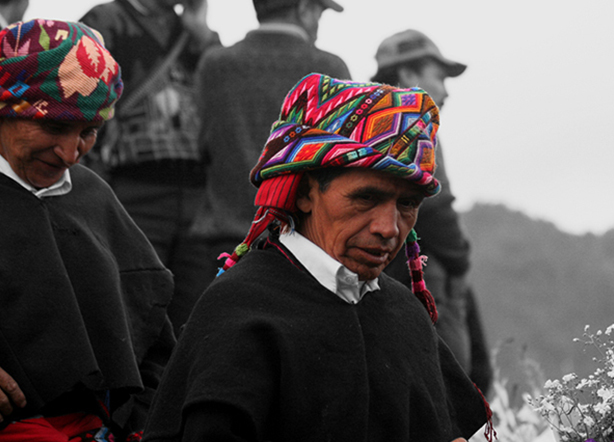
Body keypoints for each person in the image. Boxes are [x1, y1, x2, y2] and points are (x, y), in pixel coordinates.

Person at [142, 73, 493, 442]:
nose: (388, 228)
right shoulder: (240, 311)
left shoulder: (404, 315)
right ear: (306, 192)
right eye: (366, 198)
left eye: (407, 204)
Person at [0, 19, 174, 441]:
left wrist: (140, 421)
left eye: (89, 133)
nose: (70, 153)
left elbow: (150, 332)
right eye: (55, 127)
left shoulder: (92, 196)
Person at [186, 0, 352, 307]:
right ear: (304, 9)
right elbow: (341, 163)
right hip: (303, 250)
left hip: (225, 246)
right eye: (319, 11)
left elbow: (200, 146)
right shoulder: (330, 70)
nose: (318, 22)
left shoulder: (215, 65)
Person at [79, 0, 221, 333]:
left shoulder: (193, 34)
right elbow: (82, 98)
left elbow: (222, 89)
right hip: (132, 191)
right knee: (133, 310)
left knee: (192, 316)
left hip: (197, 197)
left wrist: (202, 34)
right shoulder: (106, 20)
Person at [372, 28, 493, 394]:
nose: (445, 90)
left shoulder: (368, 123)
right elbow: (436, 207)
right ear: (408, 75)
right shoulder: (412, 120)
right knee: (448, 389)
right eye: (438, 77)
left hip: (392, 276)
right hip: (424, 276)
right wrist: (460, 257)